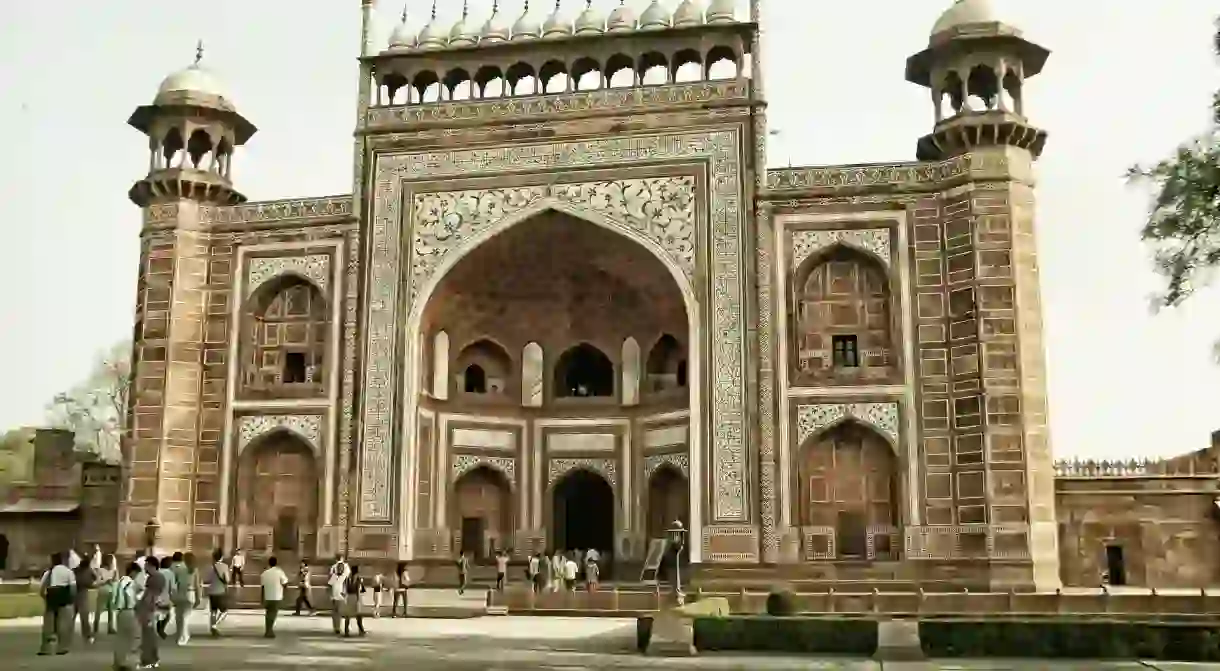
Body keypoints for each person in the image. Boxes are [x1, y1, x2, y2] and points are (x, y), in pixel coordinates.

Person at [37, 552, 76, 656]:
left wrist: (46, 598)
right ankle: (62, 647)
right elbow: (73, 588)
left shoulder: (48, 573)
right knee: (63, 623)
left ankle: (46, 648)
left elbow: (41, 589)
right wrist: (72, 599)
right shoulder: (68, 572)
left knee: (48, 624)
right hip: (64, 597)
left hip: (51, 596)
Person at [136, 557, 166, 669]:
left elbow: (148, 596)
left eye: (146, 565)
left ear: (151, 565)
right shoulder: (159, 577)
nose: (145, 567)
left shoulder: (153, 578)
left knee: (147, 636)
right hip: (152, 608)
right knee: (151, 635)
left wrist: (140, 607)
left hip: (148, 609)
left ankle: (147, 660)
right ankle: (154, 659)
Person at [110, 562, 141, 671]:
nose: (136, 576)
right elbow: (130, 596)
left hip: (120, 612)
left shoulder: (120, 581)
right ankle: (126, 662)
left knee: (121, 638)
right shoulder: (129, 582)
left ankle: (118, 662)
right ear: (133, 571)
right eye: (136, 573)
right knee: (132, 637)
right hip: (129, 611)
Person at [170, 552, 198, 645]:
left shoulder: (179, 569)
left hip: (180, 593)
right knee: (184, 617)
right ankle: (183, 635)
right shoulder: (195, 570)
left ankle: (181, 636)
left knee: (179, 616)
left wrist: (172, 595)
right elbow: (197, 586)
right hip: (190, 593)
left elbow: (175, 584)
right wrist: (198, 598)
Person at [260, 556, 288, 639]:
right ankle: (269, 630)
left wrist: (261, 598)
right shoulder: (279, 572)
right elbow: (285, 583)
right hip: (276, 596)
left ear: (269, 563)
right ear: (276, 563)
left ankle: (268, 630)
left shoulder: (264, 573)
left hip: (267, 596)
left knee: (268, 614)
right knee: (273, 614)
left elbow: (262, 587)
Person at [73, 550, 97, 644]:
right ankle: (87, 635)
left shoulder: (76, 570)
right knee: (84, 617)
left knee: (72, 616)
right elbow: (93, 579)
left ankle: (66, 634)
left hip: (75, 593)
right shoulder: (88, 570)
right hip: (82, 594)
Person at [204, 549, 229, 636]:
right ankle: (215, 625)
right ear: (222, 557)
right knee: (224, 611)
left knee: (213, 611)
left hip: (212, 591)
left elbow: (207, 580)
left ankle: (213, 627)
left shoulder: (210, 567)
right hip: (220, 591)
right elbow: (227, 579)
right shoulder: (224, 566)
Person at [94, 553, 119, 636]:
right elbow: (97, 582)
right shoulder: (100, 570)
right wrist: (105, 580)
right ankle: (95, 627)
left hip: (111, 591)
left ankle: (110, 627)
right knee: (99, 610)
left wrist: (115, 576)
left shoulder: (113, 570)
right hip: (102, 590)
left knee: (111, 611)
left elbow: (116, 580)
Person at [155, 556, 177, 640]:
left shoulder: (157, 572)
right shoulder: (170, 573)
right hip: (165, 598)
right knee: (168, 615)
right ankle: (161, 628)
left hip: (156, 597)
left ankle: (158, 626)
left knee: (158, 613)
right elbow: (173, 588)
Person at [343, 564, 366, 637]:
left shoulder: (347, 578)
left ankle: (346, 630)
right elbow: (358, 590)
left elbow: (345, 588)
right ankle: (361, 630)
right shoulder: (359, 578)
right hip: (356, 597)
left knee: (348, 615)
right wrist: (359, 599)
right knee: (358, 615)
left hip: (349, 596)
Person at [327, 558, 348, 635]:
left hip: (341, 597)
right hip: (334, 597)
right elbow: (329, 586)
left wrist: (345, 594)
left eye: (341, 568)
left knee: (339, 613)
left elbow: (346, 586)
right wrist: (330, 596)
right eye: (339, 568)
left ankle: (338, 628)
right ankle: (335, 627)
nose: (340, 569)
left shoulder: (344, 577)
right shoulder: (334, 576)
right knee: (334, 613)